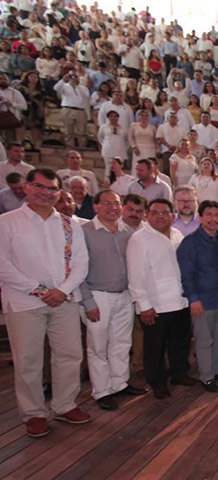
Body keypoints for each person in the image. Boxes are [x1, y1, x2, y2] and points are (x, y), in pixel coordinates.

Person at [0, 168, 91, 438]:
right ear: (26, 187)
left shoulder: (69, 224)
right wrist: (39, 290)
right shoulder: (7, 222)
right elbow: (3, 265)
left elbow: (81, 263)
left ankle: (64, 404)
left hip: (64, 300)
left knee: (70, 354)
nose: (45, 192)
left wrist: (62, 291)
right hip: (24, 302)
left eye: (51, 188)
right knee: (28, 359)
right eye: (39, 186)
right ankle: (34, 413)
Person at [80, 190, 148, 411]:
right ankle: (101, 391)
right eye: (107, 203)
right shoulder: (85, 232)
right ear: (96, 206)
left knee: (121, 343)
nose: (113, 207)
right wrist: (88, 301)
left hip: (124, 295)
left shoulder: (127, 232)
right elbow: (77, 270)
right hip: (98, 295)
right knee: (98, 347)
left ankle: (119, 383)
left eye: (116, 203)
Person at [127, 199, 198, 399]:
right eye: (155, 212)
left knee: (180, 341)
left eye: (165, 212)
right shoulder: (139, 239)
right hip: (155, 304)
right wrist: (144, 305)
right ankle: (157, 382)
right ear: (147, 215)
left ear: (172, 216)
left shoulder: (177, 234)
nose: (160, 216)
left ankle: (179, 373)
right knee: (155, 346)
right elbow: (136, 275)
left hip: (180, 300)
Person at [177, 200, 218, 393]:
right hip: (202, 301)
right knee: (204, 340)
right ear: (200, 217)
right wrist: (193, 299)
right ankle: (206, 376)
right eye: (209, 215)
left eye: (217, 215)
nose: (213, 219)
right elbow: (186, 275)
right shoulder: (190, 243)